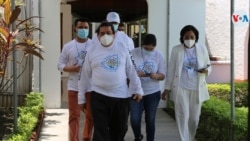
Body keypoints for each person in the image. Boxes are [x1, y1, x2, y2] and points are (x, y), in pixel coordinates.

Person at [78, 21, 144, 141]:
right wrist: (81, 97)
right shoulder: (92, 51)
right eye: (102, 33)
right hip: (98, 96)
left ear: (114, 35)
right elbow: (84, 75)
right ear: (97, 36)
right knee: (100, 132)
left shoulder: (122, 48)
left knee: (119, 130)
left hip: (120, 97)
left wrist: (138, 89)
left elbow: (131, 70)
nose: (105, 36)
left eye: (108, 33)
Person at [161, 25, 212, 141]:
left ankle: (190, 137)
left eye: (192, 37)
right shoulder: (176, 50)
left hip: (197, 88)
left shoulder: (202, 49)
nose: (189, 39)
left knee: (194, 119)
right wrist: (166, 89)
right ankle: (183, 139)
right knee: (182, 116)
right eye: (186, 37)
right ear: (182, 38)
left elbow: (209, 65)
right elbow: (171, 70)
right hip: (181, 87)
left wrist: (206, 70)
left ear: (196, 37)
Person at [57, 18, 93, 141]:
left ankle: (86, 137)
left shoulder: (94, 45)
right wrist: (71, 68)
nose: (83, 30)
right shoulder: (68, 46)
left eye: (86, 27)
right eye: (80, 27)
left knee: (90, 115)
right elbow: (60, 65)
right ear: (75, 28)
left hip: (90, 86)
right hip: (74, 86)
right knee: (74, 115)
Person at [129, 34, 166, 141]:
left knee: (150, 120)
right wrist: (134, 74)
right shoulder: (133, 53)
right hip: (135, 91)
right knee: (134, 119)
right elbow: (127, 71)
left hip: (152, 93)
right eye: (146, 48)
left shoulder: (159, 55)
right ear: (142, 45)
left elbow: (163, 75)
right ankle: (138, 136)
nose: (149, 50)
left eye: (151, 49)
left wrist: (156, 75)